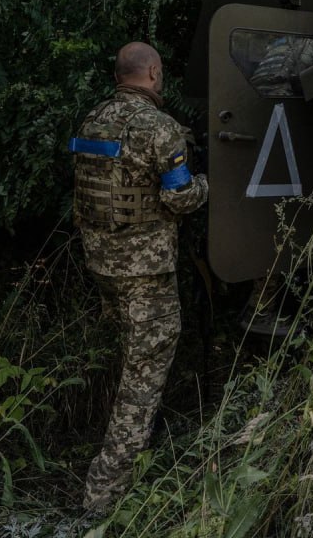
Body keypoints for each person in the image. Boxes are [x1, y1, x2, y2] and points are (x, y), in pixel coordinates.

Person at [68, 41, 209, 513]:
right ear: (152, 73)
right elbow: (180, 198)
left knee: (129, 356)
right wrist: (207, 184)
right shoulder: (158, 127)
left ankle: (106, 442)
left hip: (101, 263)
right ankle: (104, 493)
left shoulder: (93, 120)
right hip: (145, 271)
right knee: (142, 379)